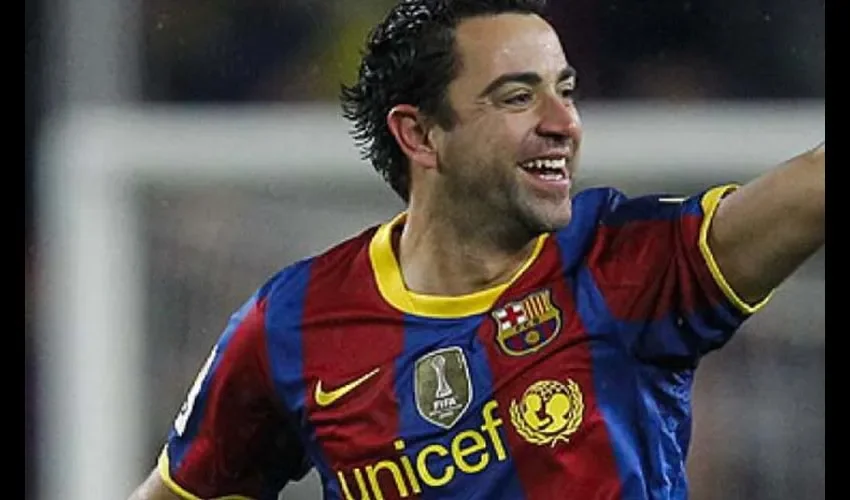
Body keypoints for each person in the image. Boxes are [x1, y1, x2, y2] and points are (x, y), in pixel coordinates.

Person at [128, 0, 825, 498]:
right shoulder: (292, 322)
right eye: (518, 98)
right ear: (420, 134)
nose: (564, 122)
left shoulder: (624, 263)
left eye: (566, 91)